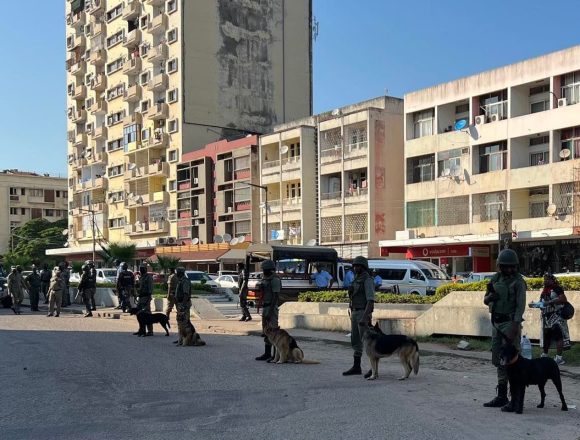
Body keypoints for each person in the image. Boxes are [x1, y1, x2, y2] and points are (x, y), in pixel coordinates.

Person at [482, 248, 526, 410]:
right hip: (497, 323)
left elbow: (520, 307)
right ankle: (501, 396)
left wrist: (515, 326)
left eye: (512, 266)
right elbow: (485, 300)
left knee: (512, 361)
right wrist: (490, 297)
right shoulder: (495, 279)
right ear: (500, 266)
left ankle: (515, 399)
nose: (510, 269)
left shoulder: (519, 282)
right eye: (506, 266)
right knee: (499, 359)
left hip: (510, 323)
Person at [343, 256, 375, 377]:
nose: (356, 268)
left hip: (363, 312)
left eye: (358, 266)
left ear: (364, 267)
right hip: (355, 311)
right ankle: (357, 366)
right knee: (356, 341)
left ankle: (373, 368)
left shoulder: (367, 280)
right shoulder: (356, 279)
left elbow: (370, 301)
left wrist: (364, 317)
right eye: (355, 266)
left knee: (367, 342)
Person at [533, 274, 568, 365]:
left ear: (552, 280)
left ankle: (559, 358)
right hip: (546, 317)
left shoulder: (557, 288)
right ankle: (545, 354)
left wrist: (549, 302)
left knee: (558, 336)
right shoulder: (544, 290)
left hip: (557, 316)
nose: (545, 281)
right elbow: (542, 303)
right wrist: (536, 305)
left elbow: (563, 299)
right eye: (544, 279)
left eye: (547, 279)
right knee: (547, 336)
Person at [255, 259, 281, 361]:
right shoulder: (265, 278)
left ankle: (275, 355)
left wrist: (270, 312)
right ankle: (267, 353)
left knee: (273, 331)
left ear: (270, 269)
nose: (263, 271)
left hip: (271, 307)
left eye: (265, 269)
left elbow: (275, 296)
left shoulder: (275, 279)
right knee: (266, 331)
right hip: (265, 306)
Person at [174, 266, 192, 341]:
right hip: (180, 303)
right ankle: (180, 338)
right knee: (179, 322)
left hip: (184, 303)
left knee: (185, 321)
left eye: (177, 272)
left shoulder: (185, 281)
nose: (176, 274)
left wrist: (183, 305)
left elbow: (186, 294)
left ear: (180, 273)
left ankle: (187, 338)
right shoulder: (180, 280)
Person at [135, 265, 153, 336]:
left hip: (146, 297)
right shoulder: (140, 277)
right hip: (140, 297)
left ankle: (150, 331)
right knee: (139, 314)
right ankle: (141, 330)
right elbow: (139, 287)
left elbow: (150, 288)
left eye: (143, 268)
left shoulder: (148, 277)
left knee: (147, 314)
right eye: (140, 269)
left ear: (146, 269)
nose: (141, 270)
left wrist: (148, 298)